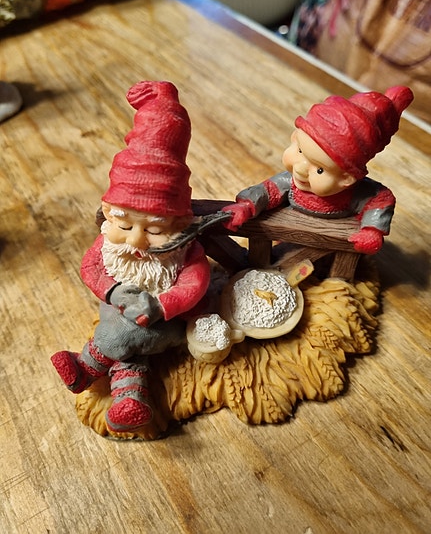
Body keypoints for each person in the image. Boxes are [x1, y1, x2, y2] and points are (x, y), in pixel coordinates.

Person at [51, 81, 211, 433]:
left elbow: (194, 284)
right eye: (124, 224)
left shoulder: (185, 252)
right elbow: (91, 268)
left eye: (154, 230)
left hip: (164, 323)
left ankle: (86, 367)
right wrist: (113, 291)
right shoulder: (108, 245)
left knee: (126, 334)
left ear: (181, 224)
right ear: (108, 213)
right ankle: (130, 401)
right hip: (116, 307)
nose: (137, 240)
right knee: (126, 339)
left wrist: (160, 306)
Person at [223, 85, 414, 255]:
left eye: (320, 169)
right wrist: (246, 206)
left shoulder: (359, 193)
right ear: (295, 137)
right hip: (291, 236)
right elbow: (268, 190)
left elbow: (381, 200)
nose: (300, 168)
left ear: (346, 179)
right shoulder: (291, 182)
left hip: (333, 245)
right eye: (299, 151)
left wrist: (372, 230)